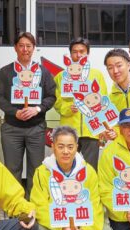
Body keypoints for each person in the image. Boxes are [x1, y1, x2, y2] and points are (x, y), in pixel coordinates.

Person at [30, 126, 112, 230]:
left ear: (76, 147)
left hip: (81, 220)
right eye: (61, 146)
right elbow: (39, 205)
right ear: (53, 147)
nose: (66, 151)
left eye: (70, 146)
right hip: (56, 220)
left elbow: (95, 204)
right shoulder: (42, 171)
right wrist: (63, 227)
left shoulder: (88, 171)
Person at [0, 32, 56, 197]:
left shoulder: (43, 72)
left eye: (29, 46)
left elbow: (52, 96)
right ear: (15, 48)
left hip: (36, 128)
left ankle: (33, 206)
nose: (25, 49)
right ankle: (14, 207)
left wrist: (36, 109)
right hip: (12, 128)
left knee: (36, 169)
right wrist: (15, 112)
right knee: (12, 168)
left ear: (34, 48)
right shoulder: (6, 72)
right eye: (21, 45)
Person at [54, 37, 108, 171]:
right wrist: (68, 108)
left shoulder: (97, 75)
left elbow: (104, 102)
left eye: (82, 51)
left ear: (87, 54)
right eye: (74, 52)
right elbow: (56, 101)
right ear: (70, 54)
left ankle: (90, 192)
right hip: (69, 132)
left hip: (92, 130)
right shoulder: (61, 76)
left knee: (90, 168)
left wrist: (103, 128)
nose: (78, 55)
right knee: (67, 168)